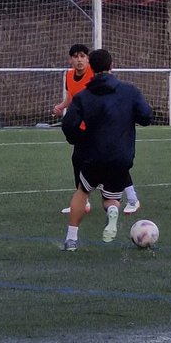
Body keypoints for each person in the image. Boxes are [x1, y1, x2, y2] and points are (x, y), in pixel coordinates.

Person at [60, 48, 152, 250]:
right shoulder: (129, 91)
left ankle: (71, 239)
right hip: (121, 156)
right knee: (111, 197)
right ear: (112, 66)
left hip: (92, 155)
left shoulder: (84, 96)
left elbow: (68, 124)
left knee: (82, 192)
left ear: (91, 67)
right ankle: (112, 212)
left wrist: (78, 138)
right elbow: (146, 116)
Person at [54, 43, 141, 216]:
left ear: (89, 60)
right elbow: (73, 97)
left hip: (99, 128)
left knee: (113, 162)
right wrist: (62, 106)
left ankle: (132, 199)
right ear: (70, 59)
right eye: (76, 56)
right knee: (78, 160)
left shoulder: (95, 76)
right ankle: (83, 202)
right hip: (82, 129)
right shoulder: (69, 76)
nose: (79, 60)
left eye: (83, 56)